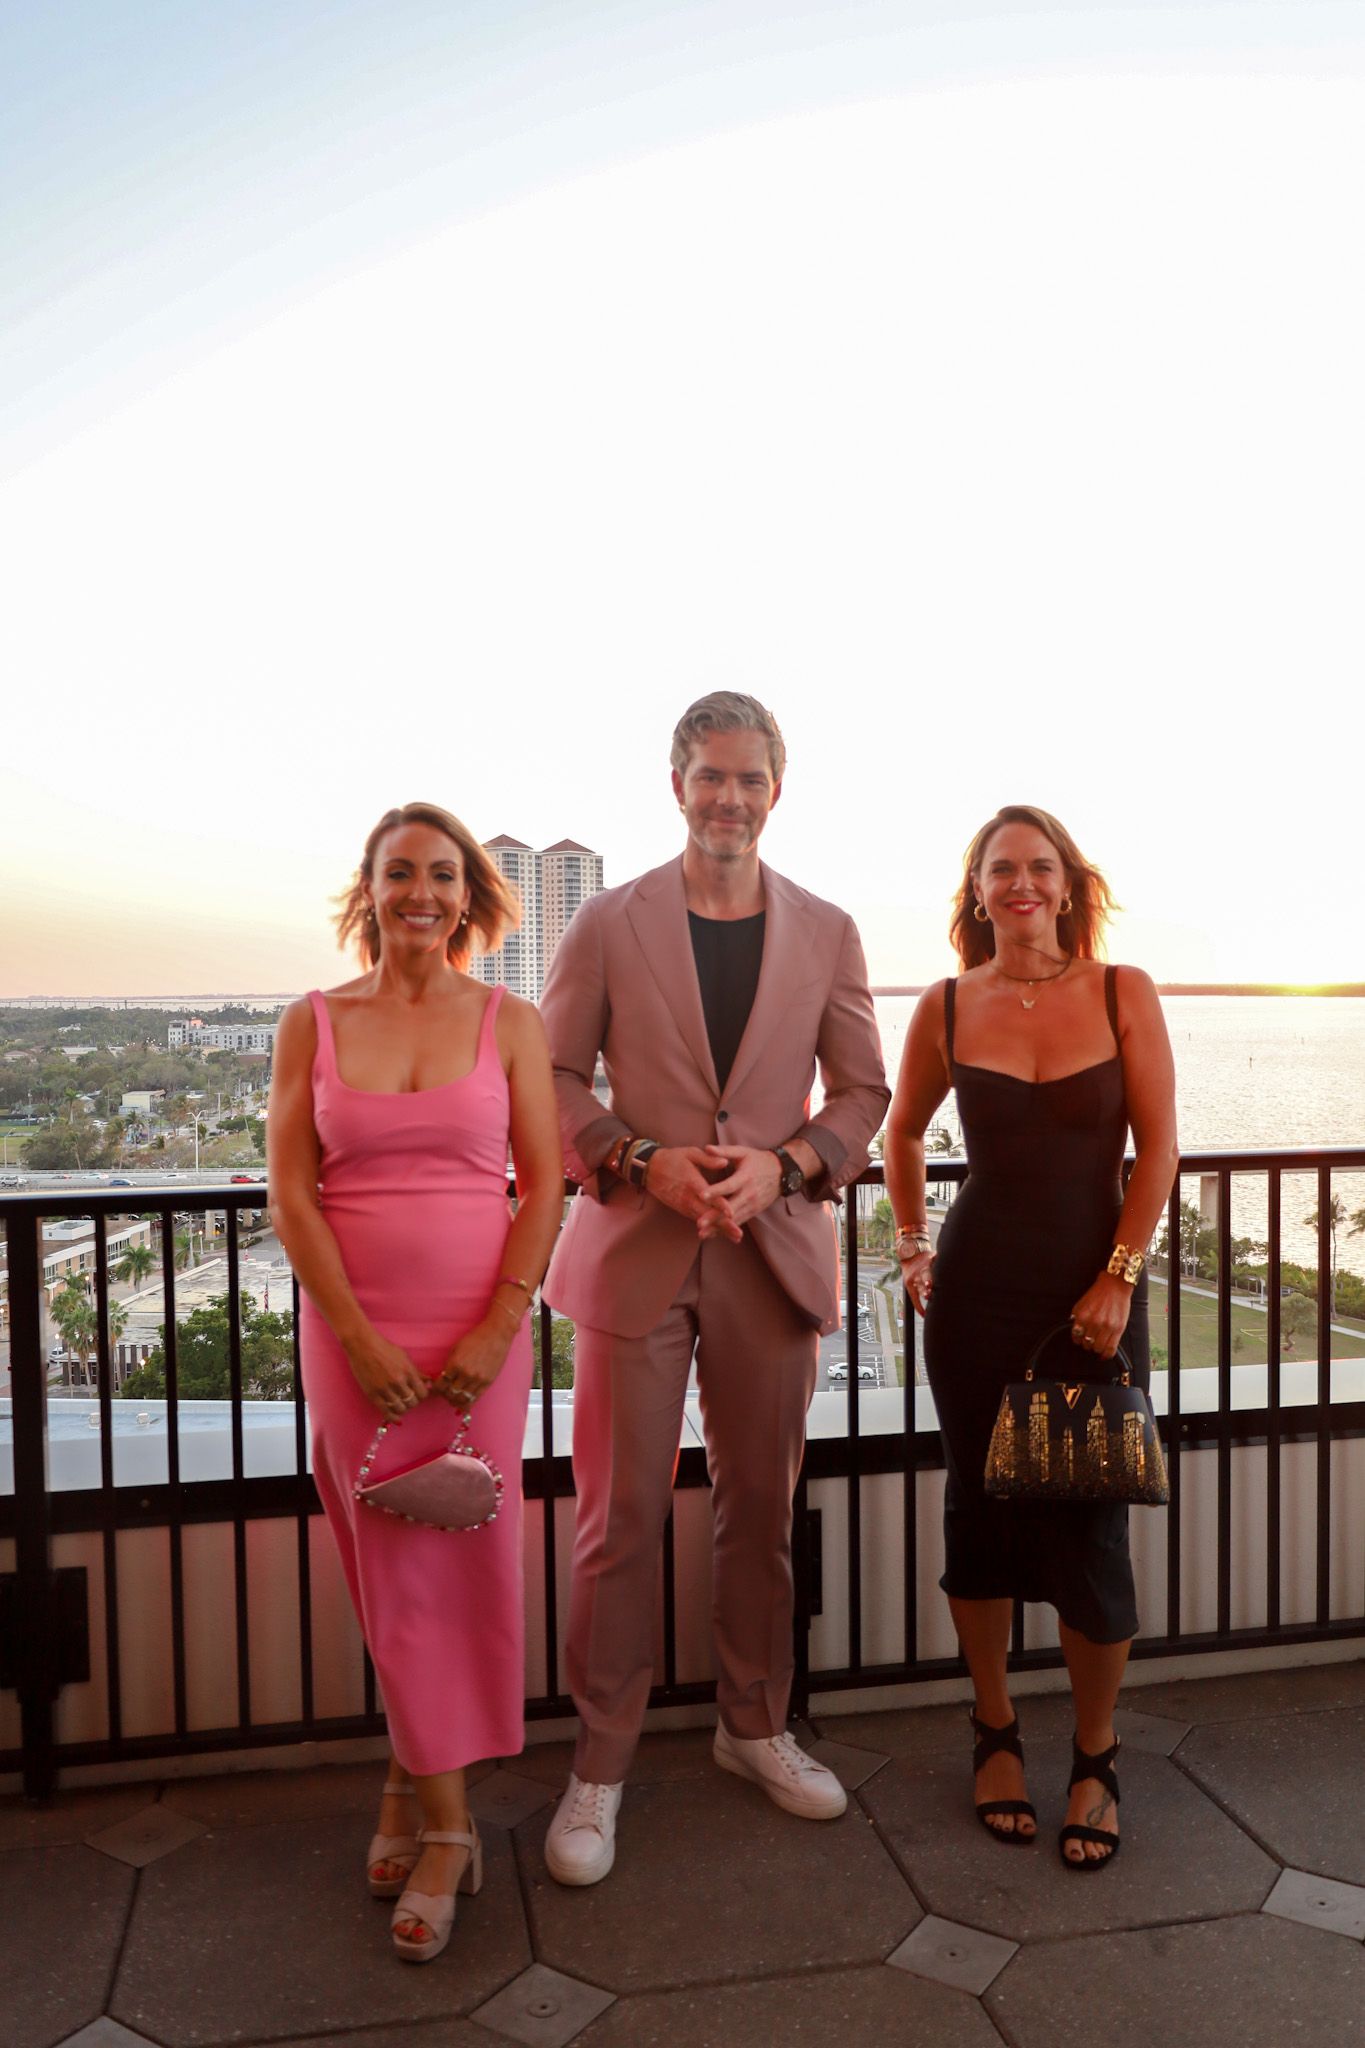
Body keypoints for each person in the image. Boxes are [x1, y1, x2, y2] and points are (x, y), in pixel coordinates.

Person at [538, 692, 890, 1886]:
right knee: (617, 1520)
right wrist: (641, 1158)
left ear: (775, 791)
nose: (728, 797)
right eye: (709, 777)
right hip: (638, 1251)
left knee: (760, 1513)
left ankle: (754, 1727)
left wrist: (783, 1166)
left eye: (749, 778)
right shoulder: (606, 922)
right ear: (676, 783)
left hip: (767, 1251)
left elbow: (860, 1096)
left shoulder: (831, 931)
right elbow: (551, 1077)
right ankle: (600, 1764)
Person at [267, 803, 562, 1961]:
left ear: (469, 895)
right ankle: (449, 1825)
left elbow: (543, 1184)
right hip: (355, 1341)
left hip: (478, 1343)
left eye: (443, 874)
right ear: (371, 888)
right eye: (401, 872)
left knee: (460, 1554)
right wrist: (355, 1334)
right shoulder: (312, 1021)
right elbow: (293, 1193)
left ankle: (414, 1795)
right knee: (390, 1564)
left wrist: (502, 1318)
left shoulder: (510, 1020)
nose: (421, 892)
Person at [884, 804, 1178, 1870]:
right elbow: (902, 1131)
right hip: (975, 1302)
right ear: (977, 888)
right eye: (1000, 867)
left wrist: (1119, 1276)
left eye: (1038, 866)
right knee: (982, 1511)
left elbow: (1158, 1152)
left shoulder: (1121, 990)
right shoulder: (946, 1006)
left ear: (1067, 883)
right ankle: (996, 1729)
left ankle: (1095, 1756)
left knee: (1092, 1523)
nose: (1020, 882)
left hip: (1092, 1301)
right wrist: (913, 1247)